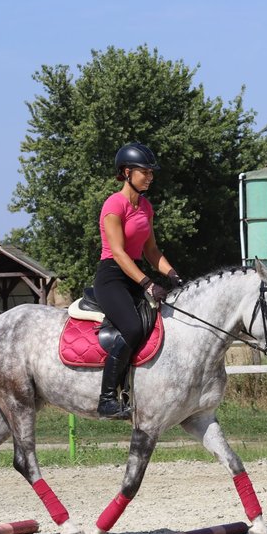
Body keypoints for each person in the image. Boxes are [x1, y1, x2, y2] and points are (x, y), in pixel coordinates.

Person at [92, 142, 183, 419]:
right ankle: (107, 399)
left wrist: (172, 275)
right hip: (112, 277)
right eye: (145, 172)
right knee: (132, 328)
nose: (150, 176)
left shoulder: (145, 206)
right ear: (127, 172)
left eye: (151, 172)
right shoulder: (114, 204)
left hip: (135, 275)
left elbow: (152, 251)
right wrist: (147, 284)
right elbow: (118, 253)